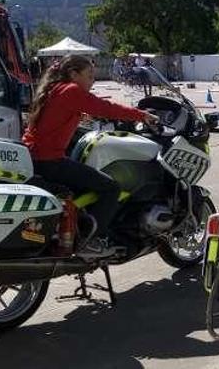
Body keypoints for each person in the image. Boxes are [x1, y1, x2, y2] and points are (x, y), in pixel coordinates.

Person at [22, 54, 158, 258]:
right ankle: (90, 240)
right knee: (110, 187)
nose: (92, 80)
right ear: (73, 74)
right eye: (89, 75)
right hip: (49, 161)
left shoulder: (54, 89)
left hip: (32, 158)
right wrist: (142, 115)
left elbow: (61, 117)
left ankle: (75, 225)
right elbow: (106, 108)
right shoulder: (72, 90)